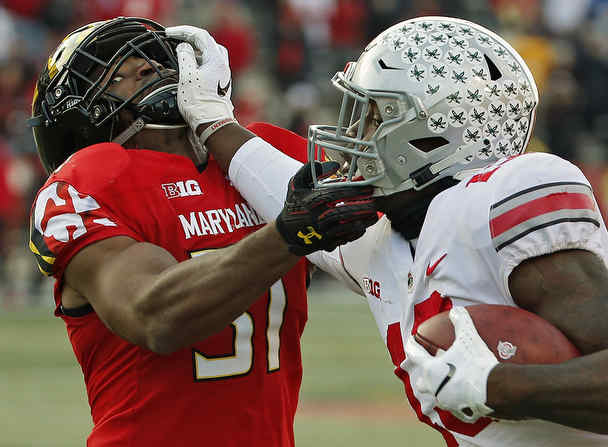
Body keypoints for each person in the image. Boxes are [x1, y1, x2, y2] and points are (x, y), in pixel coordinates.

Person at [206, 16, 608, 447]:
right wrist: (206, 115)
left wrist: (498, 385)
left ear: (431, 130)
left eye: (374, 114)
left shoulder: (502, 195)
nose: (353, 135)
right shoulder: (385, 237)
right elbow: (270, 179)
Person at [27, 18, 377, 446]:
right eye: (115, 69)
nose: (147, 68)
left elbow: (383, 248)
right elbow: (153, 315)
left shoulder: (257, 152)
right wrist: (291, 232)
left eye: (154, 61)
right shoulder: (91, 178)